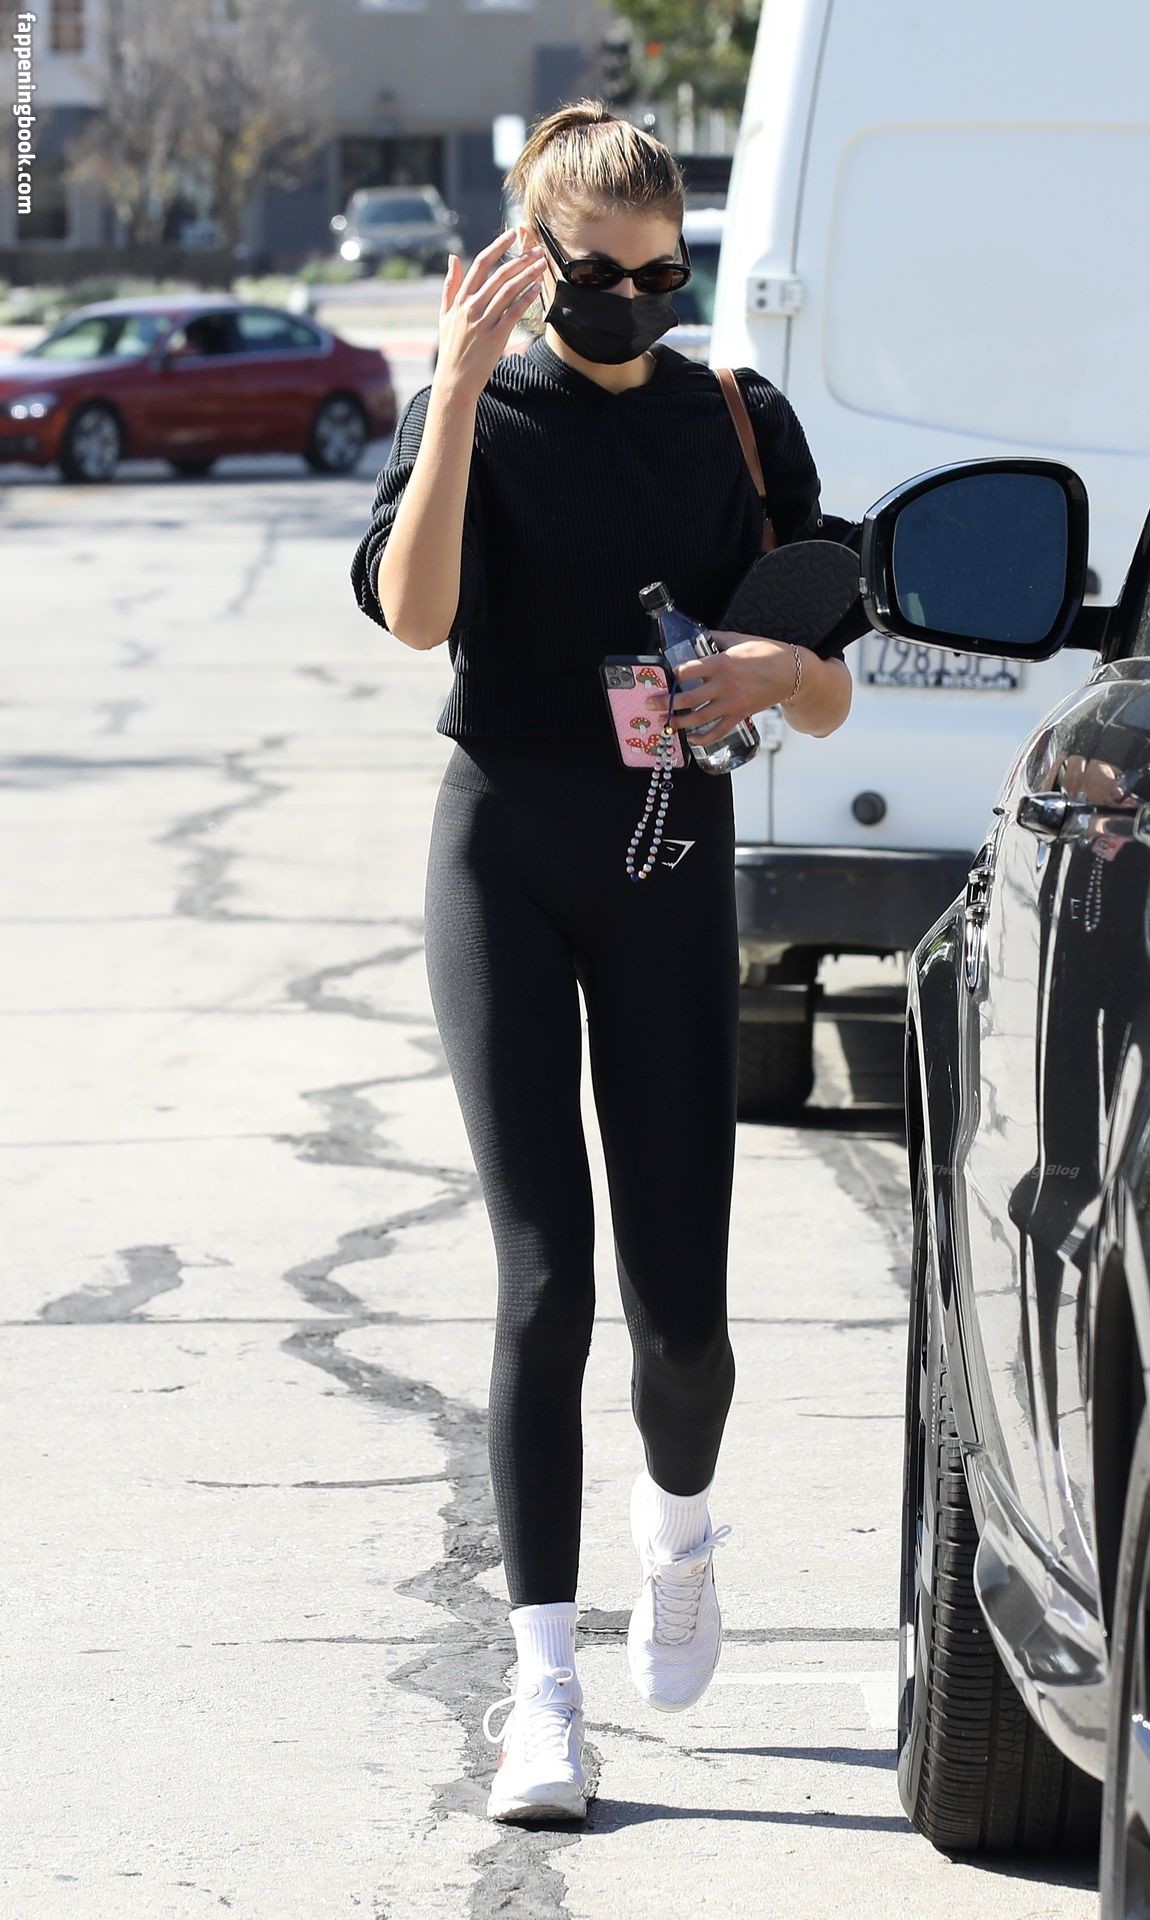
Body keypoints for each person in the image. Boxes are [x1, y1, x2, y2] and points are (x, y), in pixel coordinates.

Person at [350, 99, 855, 1826]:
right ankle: (544, 1691)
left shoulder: (738, 420)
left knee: (682, 1317)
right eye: (607, 276)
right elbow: (417, 616)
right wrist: (455, 391)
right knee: (543, 1278)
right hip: (502, 848)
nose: (641, 303)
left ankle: (681, 1524)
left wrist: (773, 674)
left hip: (671, 866)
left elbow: (829, 682)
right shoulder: (476, 406)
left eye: (667, 274)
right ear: (534, 259)